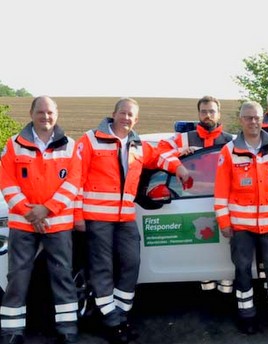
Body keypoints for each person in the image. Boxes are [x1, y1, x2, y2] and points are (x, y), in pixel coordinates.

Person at [74, 98, 190, 344]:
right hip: (97, 217)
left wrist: (179, 167)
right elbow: (76, 179)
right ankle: (111, 322)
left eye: (131, 115)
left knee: (131, 264)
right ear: (113, 114)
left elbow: (159, 158)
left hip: (125, 216)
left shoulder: (138, 144)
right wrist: (77, 215)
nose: (126, 118)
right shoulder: (91, 139)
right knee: (102, 269)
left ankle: (121, 315)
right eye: (123, 113)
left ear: (136, 120)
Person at [0, 96, 81, 344]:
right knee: (17, 276)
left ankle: (67, 329)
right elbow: (6, 181)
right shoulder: (13, 144)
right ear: (31, 113)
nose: (46, 117)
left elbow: (73, 182)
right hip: (23, 223)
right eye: (41, 112)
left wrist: (46, 209)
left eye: (50, 113)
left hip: (57, 223)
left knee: (62, 276)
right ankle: (12, 331)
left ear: (56, 115)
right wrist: (29, 211)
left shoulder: (71, 145)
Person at [213, 101, 268, 337]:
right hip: (241, 225)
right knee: (242, 270)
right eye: (248, 117)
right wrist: (224, 222)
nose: (253, 122)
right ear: (241, 120)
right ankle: (246, 315)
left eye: (257, 117)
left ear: (264, 119)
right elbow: (221, 191)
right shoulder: (228, 151)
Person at [156, 95, 234, 294]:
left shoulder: (230, 140)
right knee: (202, 250)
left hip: (224, 202)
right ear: (198, 114)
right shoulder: (185, 138)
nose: (207, 115)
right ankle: (206, 294)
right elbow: (159, 152)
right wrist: (179, 153)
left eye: (211, 111)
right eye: (203, 111)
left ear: (219, 113)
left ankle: (225, 292)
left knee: (225, 252)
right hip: (192, 200)